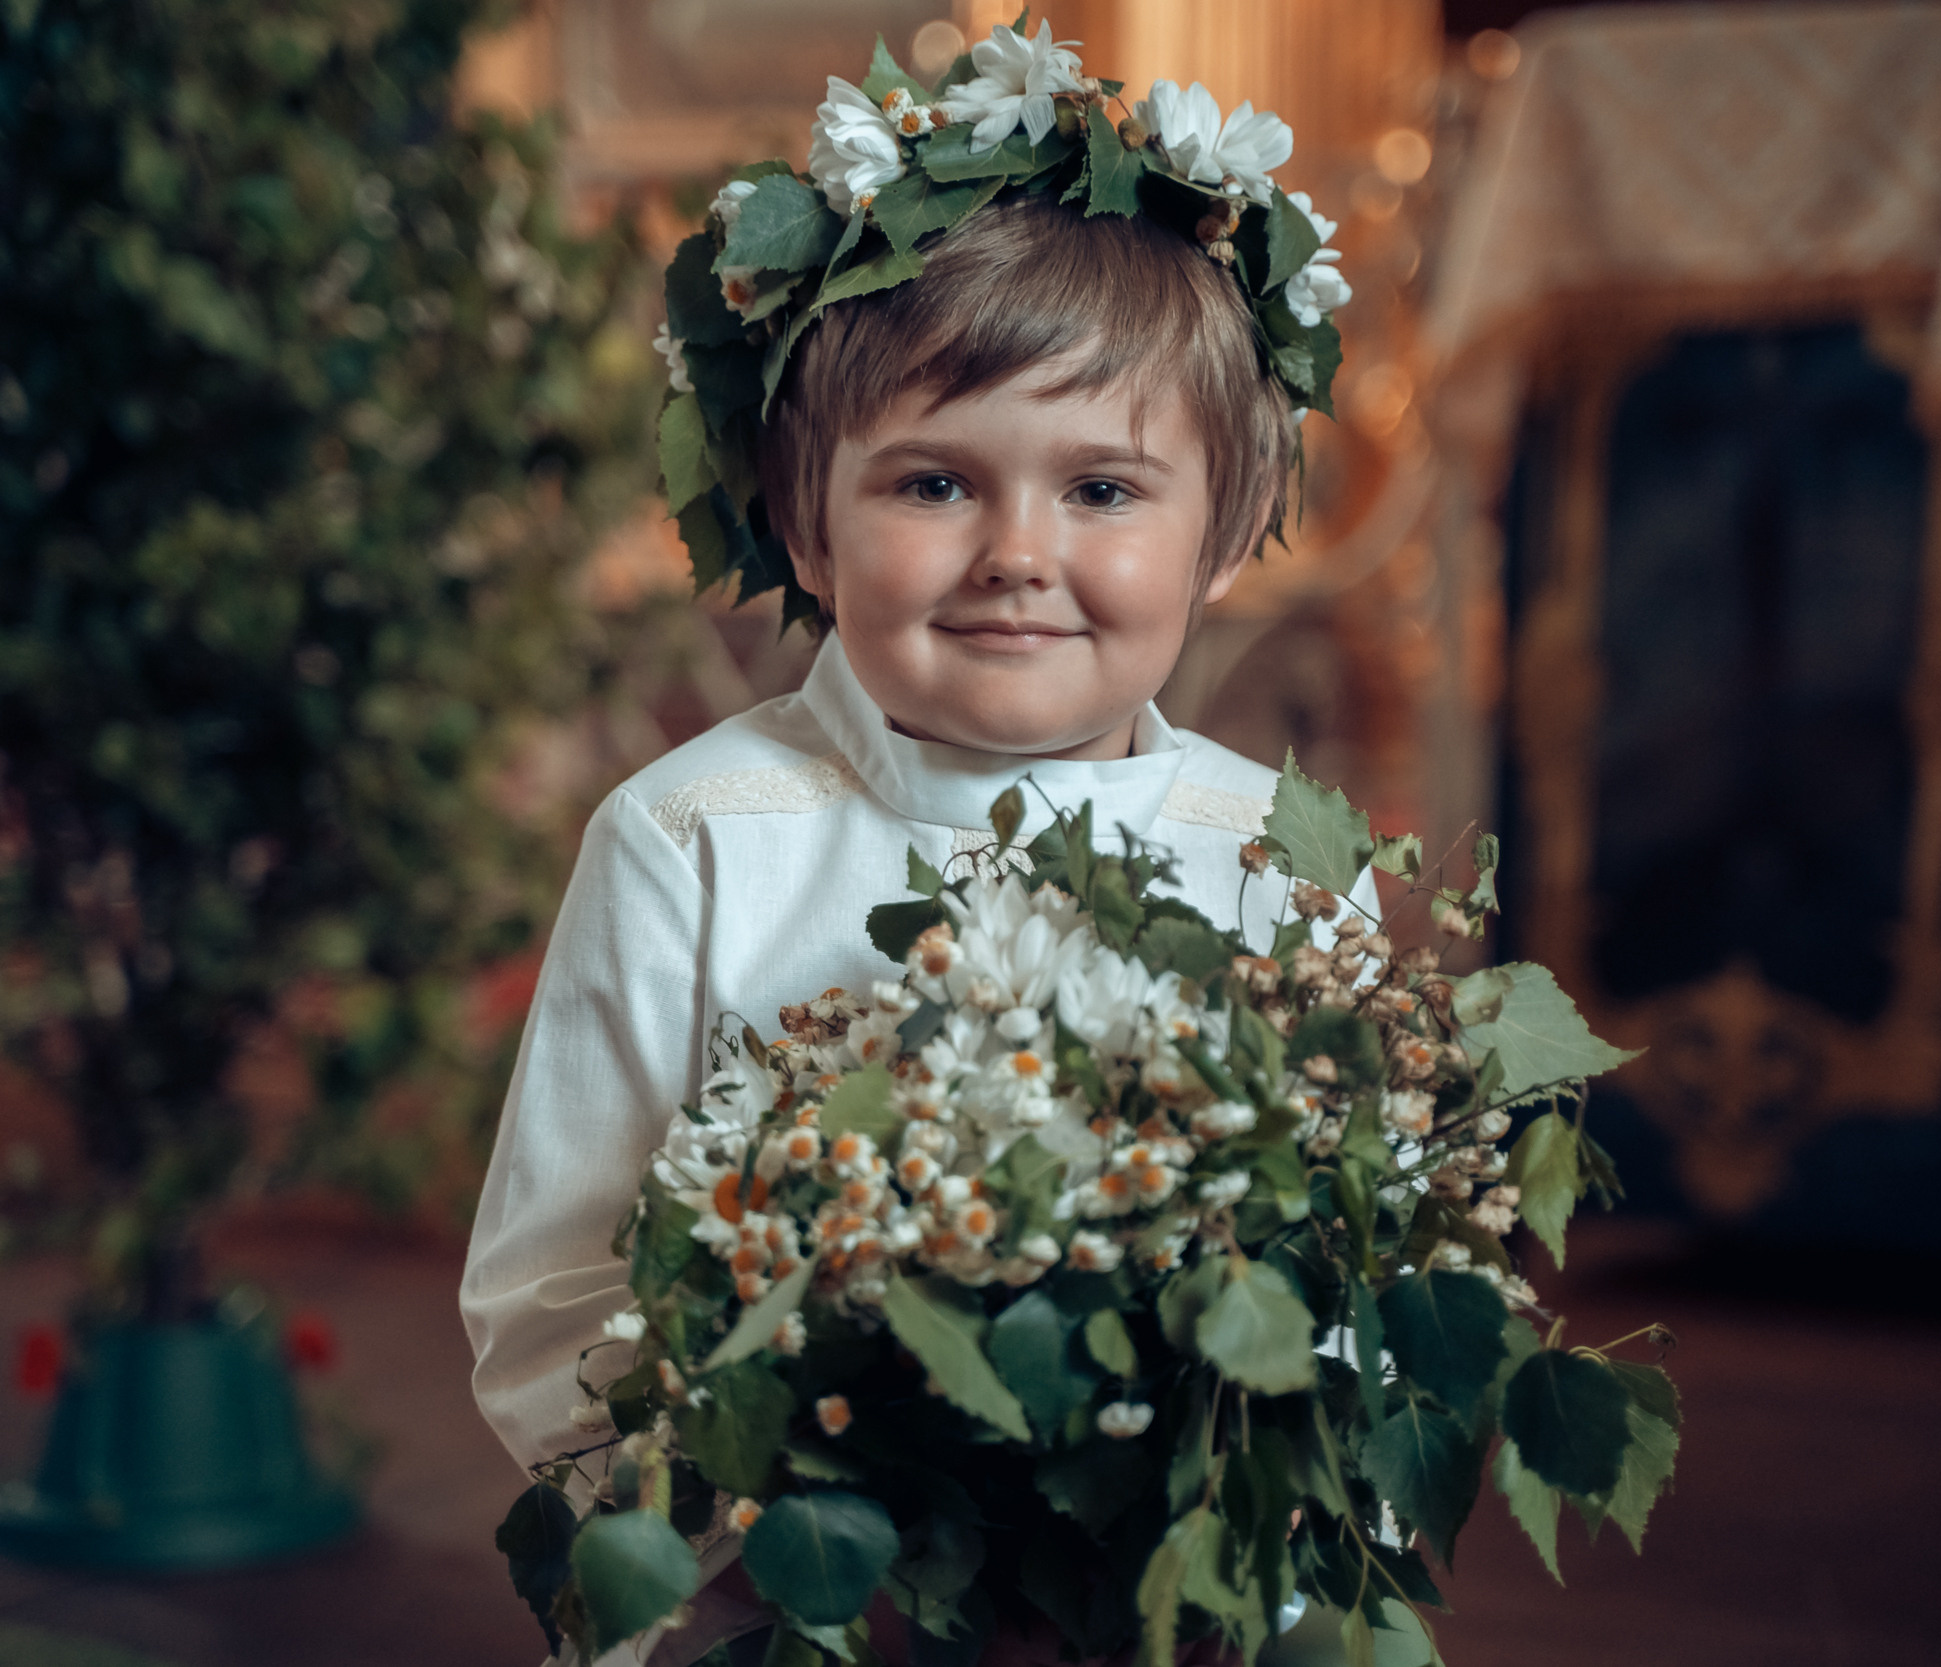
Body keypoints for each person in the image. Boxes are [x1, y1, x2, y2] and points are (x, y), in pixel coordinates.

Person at [461, 23, 1350, 1666]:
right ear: (807, 521)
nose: (1018, 553)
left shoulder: (1278, 856)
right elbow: (553, 1293)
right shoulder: (691, 841)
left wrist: (1248, 1499)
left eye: (1101, 489)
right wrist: (772, 1538)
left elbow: (1348, 1265)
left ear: (1223, 531)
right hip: (793, 1599)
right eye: (934, 482)